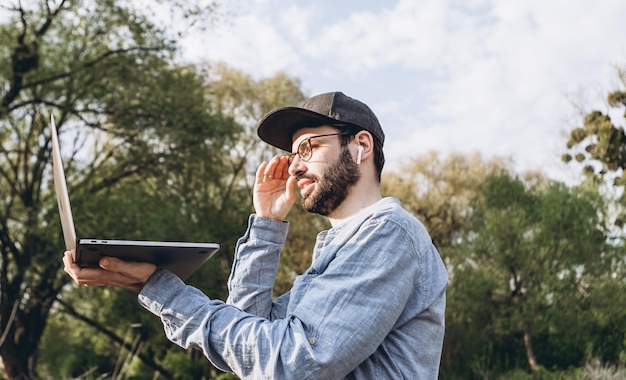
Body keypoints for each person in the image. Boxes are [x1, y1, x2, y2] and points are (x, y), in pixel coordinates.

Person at [63, 91, 448, 380]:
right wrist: (266, 225)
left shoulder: (388, 235)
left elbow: (291, 363)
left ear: (360, 146)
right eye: (293, 154)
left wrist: (162, 288)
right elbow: (249, 341)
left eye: (308, 147)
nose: (295, 166)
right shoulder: (342, 252)